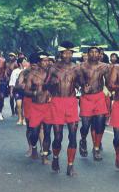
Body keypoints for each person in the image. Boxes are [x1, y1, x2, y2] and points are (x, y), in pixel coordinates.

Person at [45, 42, 81, 176]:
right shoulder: (53, 68)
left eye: (70, 52)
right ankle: (55, 158)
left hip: (71, 102)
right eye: (65, 52)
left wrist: (83, 86)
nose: (67, 55)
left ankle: (70, 165)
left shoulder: (77, 68)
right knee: (58, 136)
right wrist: (52, 85)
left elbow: (81, 83)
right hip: (57, 101)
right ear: (60, 54)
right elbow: (46, 85)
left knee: (73, 135)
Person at [78, 46, 111, 161]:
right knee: (86, 125)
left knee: (100, 124)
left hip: (99, 97)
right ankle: (83, 139)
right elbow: (78, 81)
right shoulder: (81, 66)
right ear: (88, 54)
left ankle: (96, 148)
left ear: (99, 54)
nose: (93, 54)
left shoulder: (105, 66)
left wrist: (112, 89)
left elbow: (109, 82)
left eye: (96, 52)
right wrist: (82, 87)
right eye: (91, 52)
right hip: (86, 98)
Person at [23, 52, 53, 162]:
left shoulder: (52, 74)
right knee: (34, 133)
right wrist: (35, 93)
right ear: (39, 62)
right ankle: (34, 147)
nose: (46, 62)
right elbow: (26, 91)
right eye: (44, 60)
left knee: (47, 132)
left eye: (47, 60)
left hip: (48, 107)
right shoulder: (32, 75)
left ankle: (44, 156)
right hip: (36, 106)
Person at [9, 57, 26, 125]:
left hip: (25, 90)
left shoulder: (27, 70)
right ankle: (19, 118)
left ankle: (24, 119)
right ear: (20, 63)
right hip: (17, 90)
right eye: (24, 62)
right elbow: (12, 82)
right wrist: (11, 92)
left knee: (24, 105)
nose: (25, 63)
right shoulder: (15, 71)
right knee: (18, 105)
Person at [6, 52, 19, 116]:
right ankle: (12, 111)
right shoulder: (8, 64)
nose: (10, 57)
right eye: (10, 56)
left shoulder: (16, 63)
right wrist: (7, 77)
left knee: (17, 96)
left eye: (12, 56)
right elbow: (6, 71)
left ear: (15, 57)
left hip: (16, 82)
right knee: (11, 97)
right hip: (9, 82)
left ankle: (17, 107)